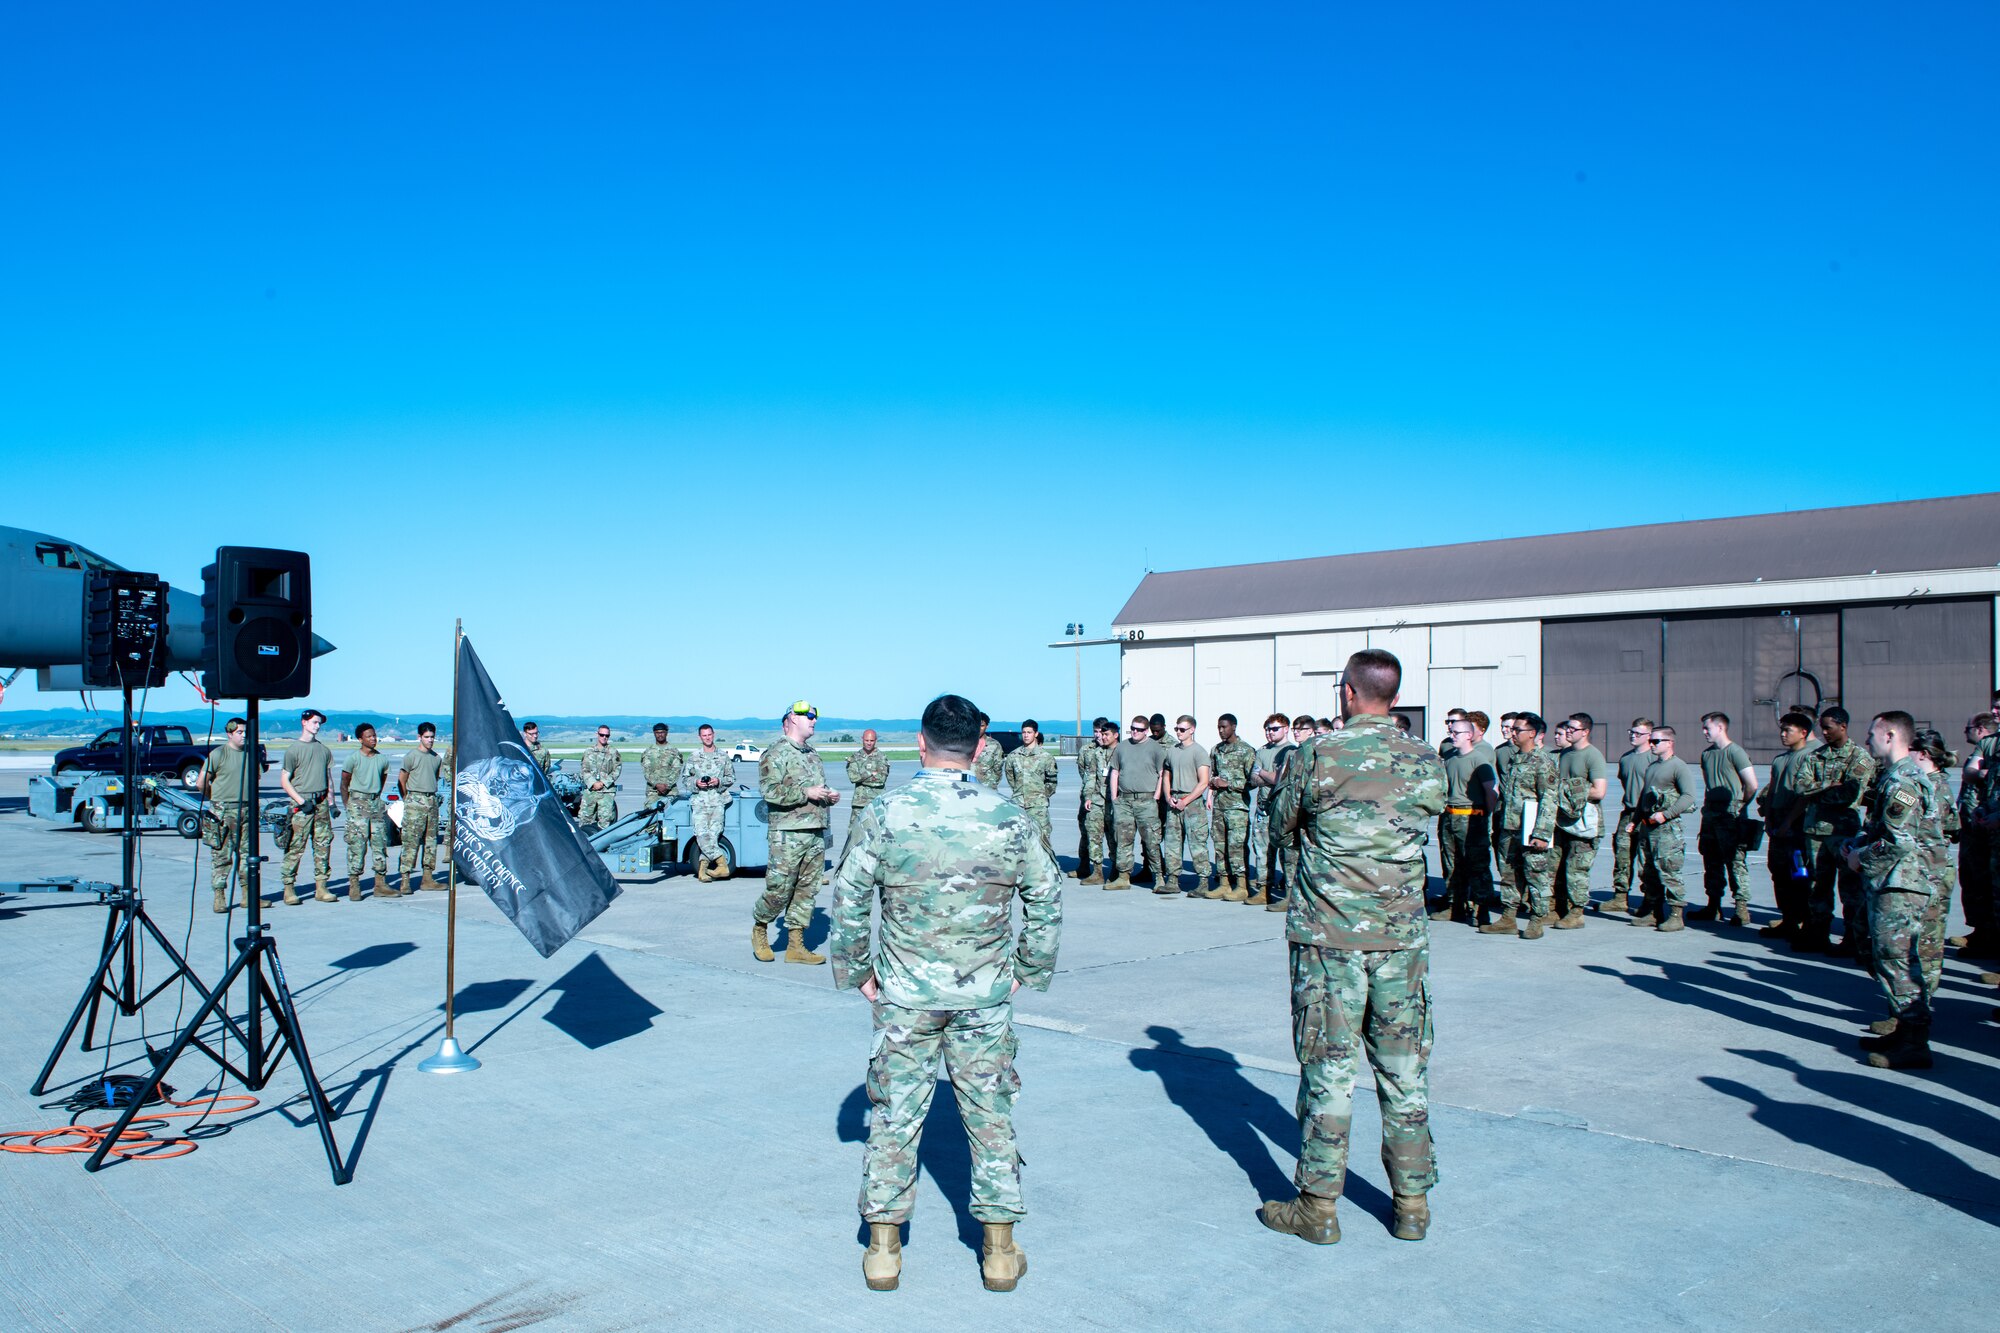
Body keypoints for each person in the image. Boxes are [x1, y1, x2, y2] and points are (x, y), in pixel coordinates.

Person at [829, 694, 1061, 1293]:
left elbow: (849, 894)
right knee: (990, 1120)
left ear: (921, 742)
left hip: (905, 994)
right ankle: (1000, 1254)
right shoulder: (1008, 816)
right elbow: (1046, 896)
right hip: (983, 996)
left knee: (895, 1117)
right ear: (980, 746)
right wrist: (1026, 969)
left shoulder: (887, 812)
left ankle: (883, 1252)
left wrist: (858, 970)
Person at [1259, 649, 1444, 1247]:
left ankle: (1318, 1207)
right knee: (1403, 1069)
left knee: (1330, 1070)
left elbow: (1282, 822)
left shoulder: (1318, 754)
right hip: (1401, 939)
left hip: (1330, 938)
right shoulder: (1426, 759)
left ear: (1347, 693)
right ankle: (1412, 1205)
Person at [1844, 712, 1947, 1070]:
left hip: (1901, 884)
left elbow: (1900, 843)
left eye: (1871, 733)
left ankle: (1916, 1042)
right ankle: (1904, 1031)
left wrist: (1860, 857)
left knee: (1899, 962)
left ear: (1889, 735)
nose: (1867, 739)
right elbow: (1890, 831)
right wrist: (1859, 842)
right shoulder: (1894, 776)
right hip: (1890, 879)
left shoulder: (1904, 779)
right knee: (1890, 959)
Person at [755, 700, 839, 964]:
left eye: (815, 717)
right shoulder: (776, 753)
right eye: (809, 716)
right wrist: (807, 793)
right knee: (779, 888)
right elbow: (770, 792)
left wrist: (827, 795)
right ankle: (760, 928)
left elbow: (815, 789)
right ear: (792, 718)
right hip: (787, 833)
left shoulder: (812, 753)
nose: (814, 721)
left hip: (814, 831)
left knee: (807, 890)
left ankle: (795, 946)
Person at [1792, 707, 1876, 956]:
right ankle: (1818, 935)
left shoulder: (1859, 757)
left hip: (1843, 832)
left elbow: (1849, 793)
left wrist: (1818, 792)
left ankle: (1852, 939)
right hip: (1815, 831)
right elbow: (1799, 787)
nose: (1824, 732)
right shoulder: (1816, 756)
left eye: (1828, 727)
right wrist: (1830, 784)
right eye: (1822, 727)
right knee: (1818, 886)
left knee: (1850, 889)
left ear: (1843, 726)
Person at [1481, 714, 1557, 938]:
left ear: (1532, 733)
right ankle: (1508, 917)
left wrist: (1542, 833)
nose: (1512, 733)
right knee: (1508, 874)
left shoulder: (1543, 761)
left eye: (1517, 730)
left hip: (1532, 830)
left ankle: (1536, 920)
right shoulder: (1515, 759)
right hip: (1510, 827)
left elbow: (1549, 799)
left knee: (1536, 875)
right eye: (1512, 729)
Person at [1630, 727, 1702, 932]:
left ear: (1669, 742)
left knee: (1669, 871)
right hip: (1648, 828)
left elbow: (1688, 797)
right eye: (1651, 741)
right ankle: (1653, 911)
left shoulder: (1679, 767)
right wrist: (1635, 819)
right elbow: (1644, 796)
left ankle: (1676, 915)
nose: (1651, 744)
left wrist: (1666, 814)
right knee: (1648, 871)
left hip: (1667, 829)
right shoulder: (1652, 767)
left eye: (1656, 741)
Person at [1757, 712, 1821, 941]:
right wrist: (1770, 819)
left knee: (1799, 875)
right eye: (1782, 730)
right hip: (1778, 827)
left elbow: (1804, 797)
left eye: (1788, 730)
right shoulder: (1780, 759)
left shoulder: (1811, 757)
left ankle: (1805, 921)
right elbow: (1773, 791)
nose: (1783, 735)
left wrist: (1788, 822)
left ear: (1803, 733)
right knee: (1779, 874)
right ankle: (1788, 920)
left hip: (1797, 828)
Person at [1693, 712, 1760, 925]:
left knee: (1735, 862)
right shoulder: (1707, 755)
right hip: (1711, 815)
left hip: (1730, 816)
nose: (1704, 732)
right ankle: (1714, 905)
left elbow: (1752, 785)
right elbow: (1709, 785)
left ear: (1720, 727)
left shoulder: (1736, 752)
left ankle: (1741, 908)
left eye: (1707, 728)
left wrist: (1739, 806)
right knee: (1711, 860)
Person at [1432, 711, 1497, 924]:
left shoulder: (1479, 759)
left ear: (1469, 735)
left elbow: (1491, 792)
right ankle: (1455, 906)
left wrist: (1485, 816)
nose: (1452, 735)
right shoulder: (1449, 758)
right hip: (1449, 816)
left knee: (1477, 865)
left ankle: (1481, 909)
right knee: (1451, 865)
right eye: (1451, 731)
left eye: (1457, 732)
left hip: (1471, 818)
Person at [1551, 713, 1608, 925]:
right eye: (1567, 728)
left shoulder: (1593, 756)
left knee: (1577, 869)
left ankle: (1576, 912)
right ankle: (1557, 908)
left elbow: (1599, 791)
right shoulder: (1564, 754)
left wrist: (1568, 792)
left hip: (1584, 822)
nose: (1568, 732)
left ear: (1585, 732)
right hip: (1562, 820)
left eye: (1573, 729)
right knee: (1556, 867)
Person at [278, 708, 335, 905]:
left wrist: (332, 803)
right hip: (302, 805)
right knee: (295, 847)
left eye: (319, 723)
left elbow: (328, 778)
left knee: (323, 846)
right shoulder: (294, 750)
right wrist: (302, 802)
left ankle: (321, 887)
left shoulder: (323, 750)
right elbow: (285, 780)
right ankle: (289, 888)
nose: (317, 726)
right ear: (304, 723)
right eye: (314, 722)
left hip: (320, 805)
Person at [1600, 719, 1656, 915]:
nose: (1633, 736)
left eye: (1638, 733)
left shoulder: (1654, 758)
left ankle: (1649, 900)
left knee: (1645, 860)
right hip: (1629, 812)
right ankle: (1620, 896)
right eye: (1631, 732)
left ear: (1649, 736)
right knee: (1622, 855)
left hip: (1647, 815)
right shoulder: (1625, 758)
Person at [197, 717, 253, 913]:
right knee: (222, 854)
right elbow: (201, 783)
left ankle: (248, 895)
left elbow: (256, 779)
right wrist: (215, 799)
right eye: (239, 732)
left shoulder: (251, 754)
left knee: (247, 854)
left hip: (247, 809)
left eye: (246, 732)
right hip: (223, 810)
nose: (244, 735)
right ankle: (219, 895)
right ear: (230, 734)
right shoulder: (218, 754)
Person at [1954, 712, 1997, 958]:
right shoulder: (1983, 749)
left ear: (1979, 729)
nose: (1965, 732)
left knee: (1985, 882)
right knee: (1971, 879)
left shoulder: (1991, 750)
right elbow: (1970, 777)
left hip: (1987, 828)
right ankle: (1980, 931)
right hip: (1974, 825)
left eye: (1968, 728)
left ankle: (1988, 937)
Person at [1106, 715, 1166, 891]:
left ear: (1146, 731)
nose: (1135, 732)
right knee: (1123, 839)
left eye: (1139, 729)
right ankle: (1123, 876)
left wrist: (1156, 795)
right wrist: (1114, 797)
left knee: (1151, 841)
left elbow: (1162, 773)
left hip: (1146, 801)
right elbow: (1115, 772)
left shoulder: (1155, 748)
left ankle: (1159, 877)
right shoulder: (1122, 747)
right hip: (1124, 801)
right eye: (1132, 728)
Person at [1207, 713, 1257, 902]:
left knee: (1236, 846)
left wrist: (1228, 783)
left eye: (1224, 727)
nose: (1221, 730)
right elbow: (1213, 775)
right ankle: (1224, 883)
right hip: (1220, 806)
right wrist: (1214, 783)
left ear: (1234, 727)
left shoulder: (1246, 751)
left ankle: (1242, 885)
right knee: (1220, 846)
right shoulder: (1216, 750)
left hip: (1237, 807)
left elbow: (1252, 781)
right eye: (1219, 727)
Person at [340, 723, 393, 900]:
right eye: (369, 736)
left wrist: (375, 797)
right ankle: (354, 884)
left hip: (375, 803)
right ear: (360, 739)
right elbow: (344, 783)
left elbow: (382, 778)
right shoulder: (353, 759)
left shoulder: (382, 760)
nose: (373, 739)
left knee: (379, 843)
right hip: (357, 803)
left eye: (374, 735)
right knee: (357, 845)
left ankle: (380, 883)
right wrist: (349, 805)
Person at [1159, 715, 1212, 895]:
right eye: (1177, 729)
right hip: (1174, 801)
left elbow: (1204, 781)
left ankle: (1203, 881)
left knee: (1197, 844)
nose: (1179, 733)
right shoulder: (1172, 751)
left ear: (1192, 730)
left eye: (1182, 729)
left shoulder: (1199, 752)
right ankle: (1173, 880)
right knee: (1172, 843)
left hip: (1193, 804)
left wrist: (1186, 801)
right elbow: (1166, 775)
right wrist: (1168, 796)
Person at [1249, 713, 1295, 910]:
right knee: (1262, 851)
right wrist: (1268, 776)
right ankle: (1263, 890)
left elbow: (1280, 779)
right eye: (1267, 728)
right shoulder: (1262, 751)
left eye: (1274, 728)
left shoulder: (1291, 751)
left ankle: (1289, 894)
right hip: (1263, 808)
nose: (1270, 732)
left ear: (1286, 729)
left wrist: (1265, 775)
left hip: (1283, 809)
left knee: (1287, 855)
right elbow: (1253, 779)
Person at [399, 723, 449, 890]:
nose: (430, 740)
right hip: (415, 800)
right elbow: (402, 779)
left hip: (431, 801)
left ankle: (427, 877)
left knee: (431, 841)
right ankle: (405, 878)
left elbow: (434, 778)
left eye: (432, 737)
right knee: (411, 841)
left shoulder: (436, 758)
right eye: (427, 737)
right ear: (419, 737)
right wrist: (408, 799)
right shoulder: (411, 756)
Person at [837, 727, 893, 876]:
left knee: (880, 833)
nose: (869, 743)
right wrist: (871, 773)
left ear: (876, 741)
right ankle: (846, 865)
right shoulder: (854, 757)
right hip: (859, 803)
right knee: (853, 834)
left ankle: (879, 867)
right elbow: (853, 778)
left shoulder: (882, 757)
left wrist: (864, 776)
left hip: (876, 802)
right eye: (866, 740)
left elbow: (880, 780)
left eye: (872, 740)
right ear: (862, 739)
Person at [684, 724, 735, 880]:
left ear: (714, 735)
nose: (707, 738)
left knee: (713, 835)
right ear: (700, 737)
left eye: (709, 735)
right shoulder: (693, 757)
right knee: (701, 834)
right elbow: (685, 779)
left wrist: (718, 781)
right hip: (699, 801)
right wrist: (696, 783)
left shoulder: (723, 756)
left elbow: (731, 778)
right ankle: (722, 864)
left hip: (717, 801)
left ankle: (702, 871)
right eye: (704, 735)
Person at [1002, 719, 1060, 851]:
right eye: (1023, 732)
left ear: (1036, 734)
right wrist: (1020, 793)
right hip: (1018, 804)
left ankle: (1045, 870)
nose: (1026, 735)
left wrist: (1041, 795)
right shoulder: (1013, 755)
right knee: (1018, 839)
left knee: (1042, 840)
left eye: (1029, 732)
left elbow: (1051, 781)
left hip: (1038, 805)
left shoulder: (1045, 757)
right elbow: (1011, 778)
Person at [1074, 719, 1117, 885]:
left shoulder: (1121, 751)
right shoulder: (1096, 753)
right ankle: (1097, 871)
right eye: (1099, 732)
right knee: (1093, 835)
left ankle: (1115, 870)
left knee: (1114, 836)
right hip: (1097, 800)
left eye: (1105, 733)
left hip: (1114, 801)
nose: (1101, 736)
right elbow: (1089, 776)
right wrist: (1088, 796)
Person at [1489, 711, 1523, 912]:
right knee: (1503, 853)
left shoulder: (1529, 753)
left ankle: (1525, 895)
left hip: (1523, 811)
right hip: (1503, 809)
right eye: (1502, 727)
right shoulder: (1499, 751)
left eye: (1509, 727)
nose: (1505, 731)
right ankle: (1509, 895)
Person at [578, 725, 623, 831]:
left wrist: (602, 783)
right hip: (591, 791)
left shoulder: (613, 752)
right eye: (602, 735)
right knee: (585, 820)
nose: (604, 737)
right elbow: (584, 770)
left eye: (607, 735)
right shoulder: (589, 752)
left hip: (606, 792)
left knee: (605, 822)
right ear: (597, 734)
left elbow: (617, 770)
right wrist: (593, 783)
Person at [641, 723, 684, 810]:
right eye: (657, 732)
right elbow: (647, 771)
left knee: (672, 818)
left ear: (666, 733)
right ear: (654, 733)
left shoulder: (674, 751)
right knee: (650, 818)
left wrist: (667, 785)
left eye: (662, 732)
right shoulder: (648, 752)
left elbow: (676, 770)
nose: (660, 735)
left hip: (670, 791)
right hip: (653, 791)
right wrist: (657, 784)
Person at [972, 712, 1006, 789]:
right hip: (967, 787)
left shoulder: (994, 745)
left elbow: (998, 768)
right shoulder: (964, 742)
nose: (978, 728)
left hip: (987, 788)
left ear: (987, 726)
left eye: (982, 726)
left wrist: (991, 784)